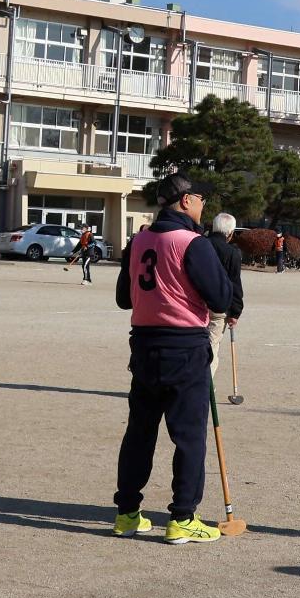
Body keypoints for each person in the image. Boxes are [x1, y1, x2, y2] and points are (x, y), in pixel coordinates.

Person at [112, 173, 234, 544]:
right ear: (185, 201)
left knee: (139, 433)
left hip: (144, 345)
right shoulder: (192, 243)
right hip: (184, 346)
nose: (203, 207)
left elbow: (124, 298)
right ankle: (182, 517)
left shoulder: (139, 241)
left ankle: (128, 513)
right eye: (200, 199)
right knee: (189, 436)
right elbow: (221, 298)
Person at [206, 213, 245, 376]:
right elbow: (235, 284)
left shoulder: (198, 244)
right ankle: (205, 389)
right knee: (211, 347)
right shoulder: (232, 253)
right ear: (230, 233)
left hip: (193, 304)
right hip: (218, 307)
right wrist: (235, 312)